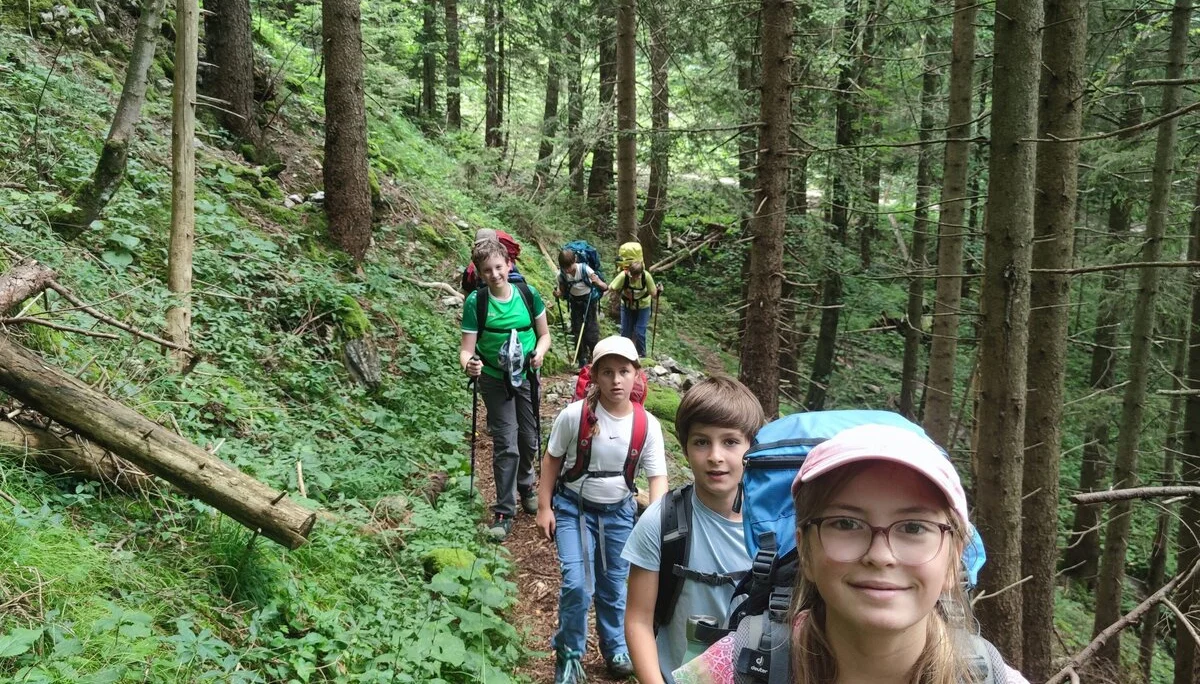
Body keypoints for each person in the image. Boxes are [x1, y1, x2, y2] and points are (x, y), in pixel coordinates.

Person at [672, 424, 1030, 684]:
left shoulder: (992, 679)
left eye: (913, 527)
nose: (881, 555)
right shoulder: (730, 671)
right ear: (806, 550)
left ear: (955, 557)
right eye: (846, 523)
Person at [536, 335, 670, 683]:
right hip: (572, 509)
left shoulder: (647, 426)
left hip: (620, 514)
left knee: (614, 586)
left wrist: (653, 525)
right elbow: (551, 460)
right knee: (578, 585)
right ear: (594, 375)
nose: (616, 380)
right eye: (607, 372)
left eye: (624, 371)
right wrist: (543, 507)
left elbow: (658, 479)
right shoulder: (574, 416)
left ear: (636, 375)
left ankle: (615, 648)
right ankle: (569, 654)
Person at [622, 375, 765, 682]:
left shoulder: (773, 529)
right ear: (685, 449)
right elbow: (638, 619)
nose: (716, 456)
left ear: (750, 448)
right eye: (702, 442)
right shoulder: (662, 521)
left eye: (730, 441)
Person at [460, 239, 551, 542]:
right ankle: (503, 509)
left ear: (508, 265)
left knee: (529, 437)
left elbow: (545, 335)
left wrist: (539, 352)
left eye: (499, 267)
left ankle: (526, 485)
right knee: (506, 441)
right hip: (494, 377)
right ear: (480, 273)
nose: (495, 274)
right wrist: (470, 363)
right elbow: (466, 350)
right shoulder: (477, 302)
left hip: (525, 374)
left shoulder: (528, 294)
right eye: (488, 270)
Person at [555, 247, 609, 367]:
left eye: (570, 266)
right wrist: (558, 294)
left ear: (575, 260)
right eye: (565, 267)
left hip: (589, 300)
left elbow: (605, 287)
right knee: (577, 329)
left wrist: (597, 281)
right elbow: (563, 291)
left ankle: (596, 356)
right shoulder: (561, 275)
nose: (568, 270)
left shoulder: (585, 269)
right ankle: (581, 359)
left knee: (591, 330)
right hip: (575, 302)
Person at [609, 260, 662, 357]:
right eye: (633, 275)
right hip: (627, 306)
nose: (635, 278)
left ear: (641, 273)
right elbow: (611, 287)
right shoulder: (623, 276)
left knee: (639, 332)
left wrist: (658, 291)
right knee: (625, 331)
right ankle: (624, 354)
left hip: (643, 307)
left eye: (637, 276)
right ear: (629, 272)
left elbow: (654, 294)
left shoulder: (646, 276)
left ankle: (641, 355)